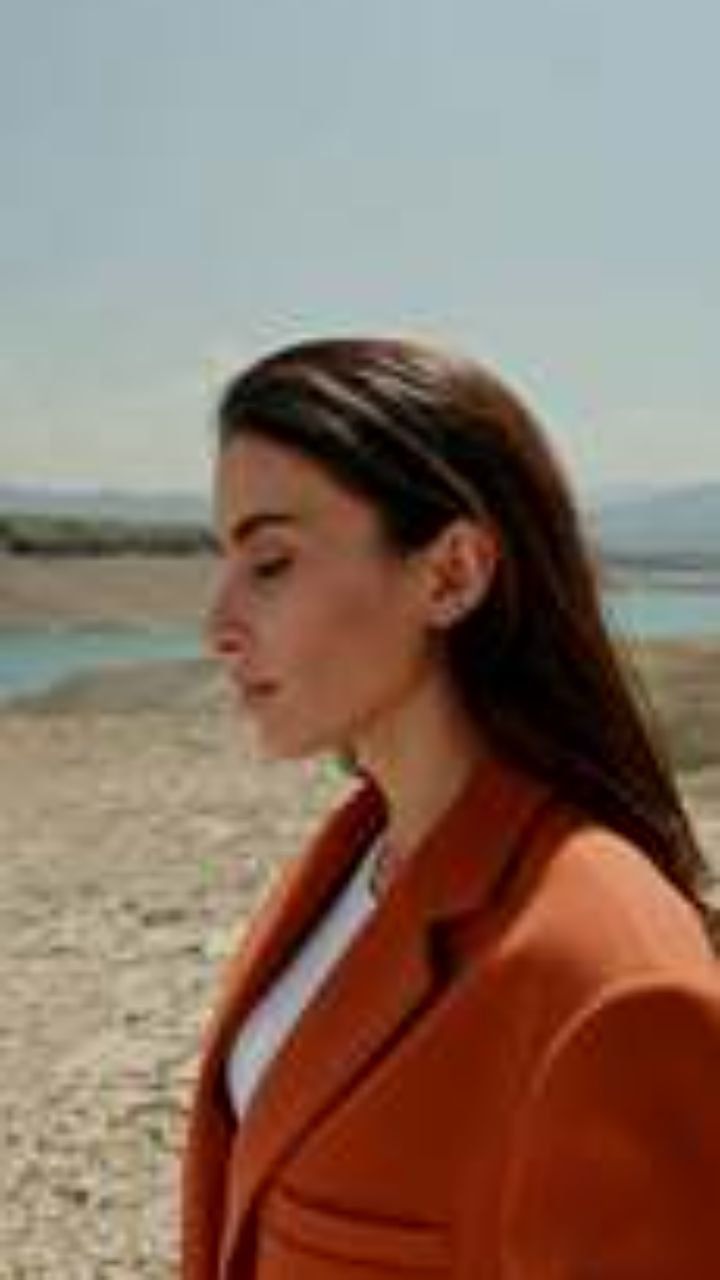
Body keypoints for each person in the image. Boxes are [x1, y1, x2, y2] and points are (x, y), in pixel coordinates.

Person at [182, 337, 720, 1279]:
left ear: (452, 574)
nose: (217, 625)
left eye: (270, 563)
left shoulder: (611, 979)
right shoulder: (350, 862)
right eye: (223, 560)